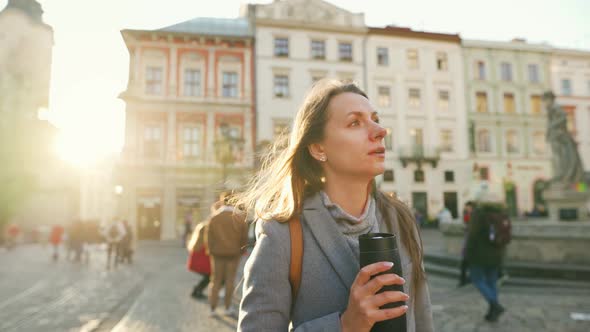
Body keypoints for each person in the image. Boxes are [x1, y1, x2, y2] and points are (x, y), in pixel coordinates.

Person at [236, 79, 433, 331]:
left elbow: (423, 318)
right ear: (318, 148)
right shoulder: (282, 231)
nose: (380, 131)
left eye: (375, 119)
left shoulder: (400, 218)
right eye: (355, 122)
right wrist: (345, 325)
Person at [206, 192, 249, 317]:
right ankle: (227, 307)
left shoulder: (214, 217)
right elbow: (244, 238)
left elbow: (209, 237)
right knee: (230, 281)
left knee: (215, 280)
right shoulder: (240, 219)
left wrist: (211, 251)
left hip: (217, 254)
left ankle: (212, 308)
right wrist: (241, 251)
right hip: (234, 253)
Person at [465, 199, 508, 322]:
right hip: (496, 255)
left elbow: (472, 236)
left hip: (479, 255)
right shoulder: (500, 214)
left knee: (477, 279)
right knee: (492, 282)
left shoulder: (478, 214)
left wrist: (468, 255)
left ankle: (495, 305)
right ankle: (492, 312)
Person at [458, 201, 475, 287]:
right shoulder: (467, 214)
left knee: (466, 263)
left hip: (471, 242)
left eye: (467, 207)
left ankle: (464, 280)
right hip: (468, 241)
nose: (466, 208)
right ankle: (464, 279)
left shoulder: (474, 216)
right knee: (465, 263)